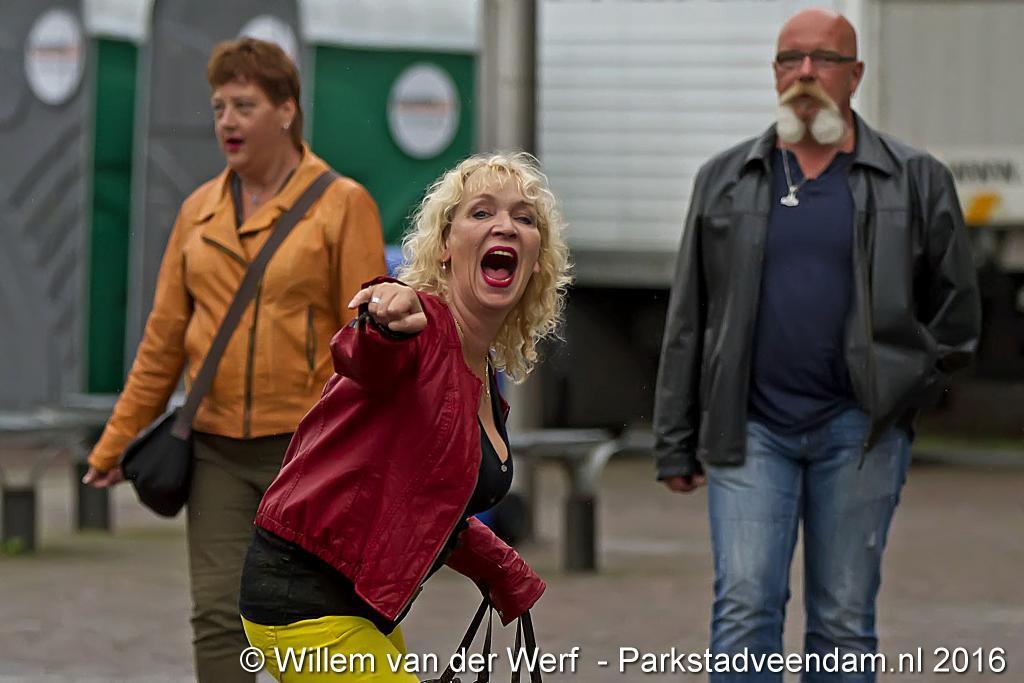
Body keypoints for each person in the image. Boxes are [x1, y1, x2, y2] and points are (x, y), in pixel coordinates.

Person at [652, 9, 980, 682]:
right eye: (790, 59)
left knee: (844, 619)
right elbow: (689, 317)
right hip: (750, 429)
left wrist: (903, 389)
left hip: (860, 433)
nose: (805, 73)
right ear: (775, 73)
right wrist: (674, 440)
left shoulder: (915, 179)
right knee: (745, 608)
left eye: (824, 59)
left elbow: (958, 316)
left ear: (854, 75)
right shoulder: (725, 178)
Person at [82, 38, 386, 681]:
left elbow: (366, 341)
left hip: (307, 453)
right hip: (215, 450)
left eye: (244, 105)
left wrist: (365, 452)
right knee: (218, 617)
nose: (226, 120)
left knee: (314, 617)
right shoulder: (197, 212)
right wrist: (114, 444)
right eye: (219, 106)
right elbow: (164, 339)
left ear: (286, 110)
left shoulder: (343, 203)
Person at [238, 151, 571, 682]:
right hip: (303, 602)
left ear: (536, 261)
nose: (506, 225)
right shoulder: (421, 327)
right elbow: (364, 356)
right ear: (445, 246)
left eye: (524, 218)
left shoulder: (481, 372)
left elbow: (429, 499)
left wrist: (501, 568)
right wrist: (385, 321)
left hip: (365, 607)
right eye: (481, 212)